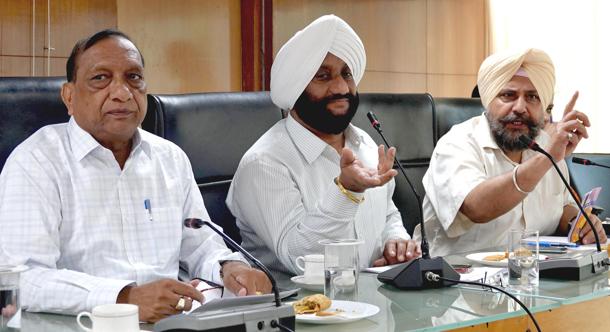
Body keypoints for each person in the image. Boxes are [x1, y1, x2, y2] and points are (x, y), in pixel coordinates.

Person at [0, 29, 270, 323]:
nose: (122, 93)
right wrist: (124, 297)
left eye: (133, 77)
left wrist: (229, 267)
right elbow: (22, 278)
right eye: (100, 78)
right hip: (82, 324)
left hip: (174, 322)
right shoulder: (38, 161)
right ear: (69, 96)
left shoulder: (169, 158)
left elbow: (201, 244)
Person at [226, 15, 418, 276]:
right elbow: (300, 261)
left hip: (376, 304)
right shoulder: (265, 163)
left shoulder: (365, 144)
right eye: (323, 76)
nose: (340, 87)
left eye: (346, 74)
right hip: (300, 311)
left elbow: (386, 216)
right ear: (296, 88)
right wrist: (346, 192)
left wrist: (395, 242)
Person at [415, 48, 607, 256]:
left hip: (530, 276)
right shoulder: (456, 144)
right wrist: (546, 159)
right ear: (488, 100)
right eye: (508, 95)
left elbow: (560, 207)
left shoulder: (545, 145)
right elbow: (476, 207)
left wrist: (579, 223)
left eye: (532, 97)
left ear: (544, 108)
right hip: (456, 278)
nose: (520, 107)